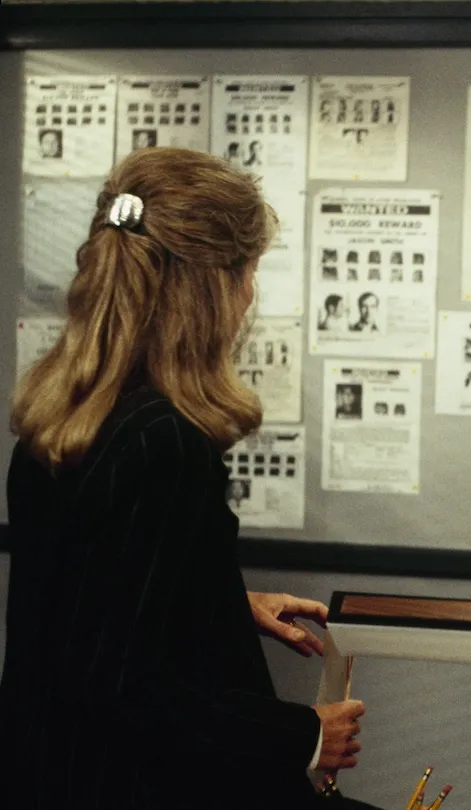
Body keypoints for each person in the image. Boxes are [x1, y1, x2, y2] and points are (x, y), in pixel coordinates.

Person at [0, 147, 374, 809]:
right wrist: (303, 734)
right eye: (252, 271)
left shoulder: (60, 420)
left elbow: (90, 608)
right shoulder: (164, 440)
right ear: (215, 284)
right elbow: (118, 683)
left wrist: (218, 603)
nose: (252, 295)